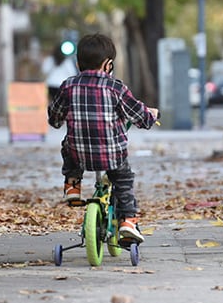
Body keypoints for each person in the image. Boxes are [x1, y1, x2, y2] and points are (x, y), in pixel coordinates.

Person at [47, 33, 159, 243]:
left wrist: (59, 120)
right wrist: (151, 116)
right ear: (108, 65)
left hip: (79, 155)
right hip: (112, 155)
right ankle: (127, 221)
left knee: (67, 144)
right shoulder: (116, 88)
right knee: (123, 180)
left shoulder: (68, 86)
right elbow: (139, 116)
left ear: (79, 64)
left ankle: (72, 183)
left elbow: (54, 118)